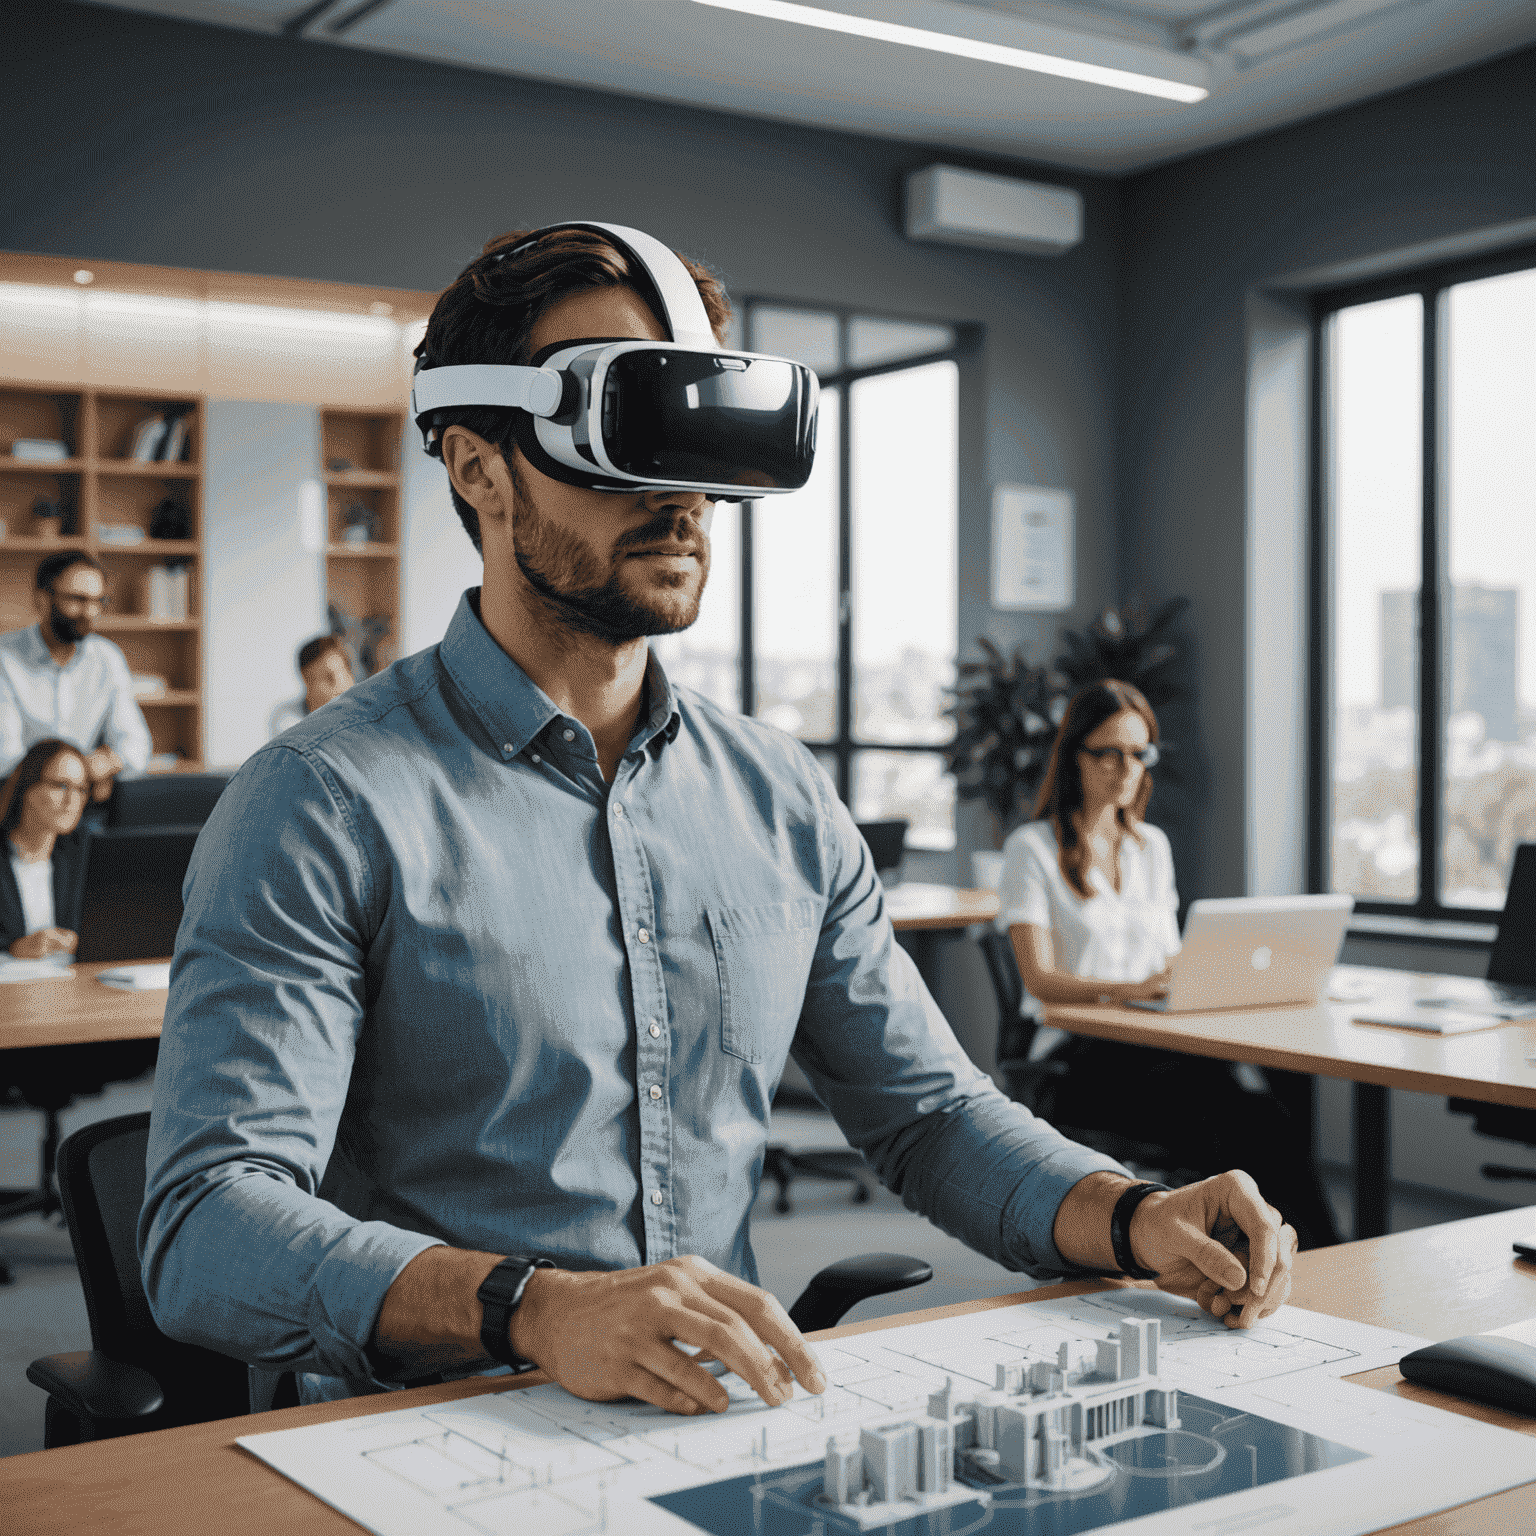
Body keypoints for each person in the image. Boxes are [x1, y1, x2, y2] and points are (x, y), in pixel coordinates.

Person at [141, 223, 1297, 1419]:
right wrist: (535, 1307)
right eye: (620, 441)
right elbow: (206, 1223)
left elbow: (931, 1115)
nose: (681, 499)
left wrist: (1128, 1212)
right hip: (427, 1431)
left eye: (702, 446)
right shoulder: (319, 803)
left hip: (718, 1422)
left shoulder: (779, 797)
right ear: (480, 466)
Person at [996, 678, 1340, 1249]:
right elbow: (1040, 980)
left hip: (1156, 1040)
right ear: (1073, 756)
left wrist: (1205, 977)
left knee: (1269, 1101)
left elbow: (1170, 957)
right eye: (1105, 752)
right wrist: (1130, 989)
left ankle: (1293, 1252)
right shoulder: (1031, 850)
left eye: (1138, 753)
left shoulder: (1150, 846)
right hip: (1074, 1054)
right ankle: (1312, 1252)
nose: (1123, 768)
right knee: (1246, 1115)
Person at [0, 552, 151, 802]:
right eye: (78, 599)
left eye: (98, 601)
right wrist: (85, 768)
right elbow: (6, 757)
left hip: (83, 801)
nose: (90, 611)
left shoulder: (106, 658)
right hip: (16, 801)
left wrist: (110, 760)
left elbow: (137, 748)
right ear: (42, 599)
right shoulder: (5, 657)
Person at [0, 738, 90, 960]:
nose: (72, 799)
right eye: (61, 786)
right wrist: (14, 950)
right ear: (27, 788)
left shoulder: (81, 856)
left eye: (81, 789)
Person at [268, 634, 357, 738]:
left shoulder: (367, 709)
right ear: (307, 681)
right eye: (328, 678)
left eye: (345, 672)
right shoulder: (287, 720)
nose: (340, 685)